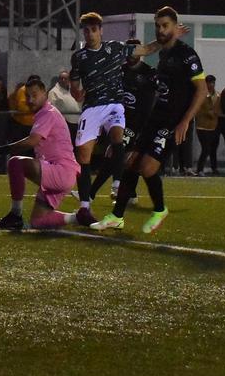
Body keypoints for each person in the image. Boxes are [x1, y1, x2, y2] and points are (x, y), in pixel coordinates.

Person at [93, 6, 205, 234]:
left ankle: (160, 208)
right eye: (158, 26)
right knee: (130, 164)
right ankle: (116, 216)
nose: (160, 30)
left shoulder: (187, 55)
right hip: (155, 118)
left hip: (172, 122)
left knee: (147, 167)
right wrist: (163, 40)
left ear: (175, 26)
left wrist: (185, 122)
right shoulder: (162, 53)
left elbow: (201, 90)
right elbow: (140, 52)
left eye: (165, 25)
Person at [68, 12, 181, 225]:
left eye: (94, 29)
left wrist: (169, 35)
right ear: (83, 32)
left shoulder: (115, 48)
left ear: (101, 30)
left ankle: (117, 183)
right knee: (83, 157)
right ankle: (84, 206)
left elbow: (147, 49)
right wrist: (77, 92)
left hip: (114, 104)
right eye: (87, 30)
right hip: (92, 107)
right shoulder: (79, 57)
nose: (91, 34)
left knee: (118, 137)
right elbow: (76, 88)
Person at [0, 78, 81, 230]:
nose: (30, 100)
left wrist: (2, 149)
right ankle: (77, 217)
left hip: (60, 171)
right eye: (28, 96)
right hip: (63, 173)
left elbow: (32, 141)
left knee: (15, 162)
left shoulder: (48, 113)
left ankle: (15, 215)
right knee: (38, 221)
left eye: (34, 95)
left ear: (45, 93)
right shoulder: (45, 113)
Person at [90, 38, 158, 203]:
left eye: (135, 50)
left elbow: (160, 95)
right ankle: (130, 194)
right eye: (129, 50)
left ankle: (91, 193)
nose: (132, 54)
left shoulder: (149, 73)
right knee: (127, 159)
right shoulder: (120, 70)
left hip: (138, 123)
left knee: (114, 153)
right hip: (120, 120)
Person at [194, 75, 220, 176]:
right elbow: (198, 108)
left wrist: (215, 113)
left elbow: (218, 108)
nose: (211, 85)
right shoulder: (201, 94)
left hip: (213, 126)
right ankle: (200, 169)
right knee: (206, 148)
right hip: (202, 126)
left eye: (213, 82)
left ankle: (214, 168)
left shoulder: (218, 95)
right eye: (209, 82)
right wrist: (207, 112)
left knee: (213, 148)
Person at [47, 70, 82, 139]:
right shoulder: (53, 92)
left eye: (65, 78)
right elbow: (51, 109)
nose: (63, 80)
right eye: (61, 78)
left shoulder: (72, 89)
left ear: (69, 80)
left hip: (78, 121)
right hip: (66, 123)